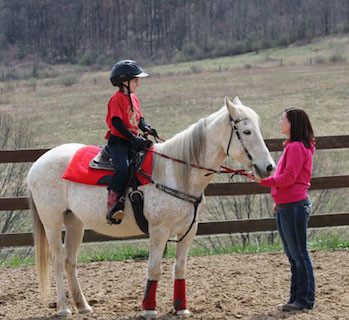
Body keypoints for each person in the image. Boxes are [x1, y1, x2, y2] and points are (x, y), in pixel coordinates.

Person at [247, 107, 315, 312]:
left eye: (283, 119)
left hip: (293, 207)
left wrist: (262, 181)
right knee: (294, 255)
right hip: (288, 206)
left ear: (293, 123)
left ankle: (304, 299)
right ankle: (297, 298)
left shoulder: (295, 148)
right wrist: (278, 199)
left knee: (299, 254)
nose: (280, 122)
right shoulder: (294, 146)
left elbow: (288, 178)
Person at [105, 59, 157, 224]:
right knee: (123, 168)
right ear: (124, 82)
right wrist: (133, 138)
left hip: (131, 140)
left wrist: (147, 128)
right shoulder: (116, 99)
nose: (138, 84)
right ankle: (112, 204)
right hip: (119, 142)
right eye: (135, 81)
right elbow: (117, 123)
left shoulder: (133, 98)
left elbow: (139, 118)